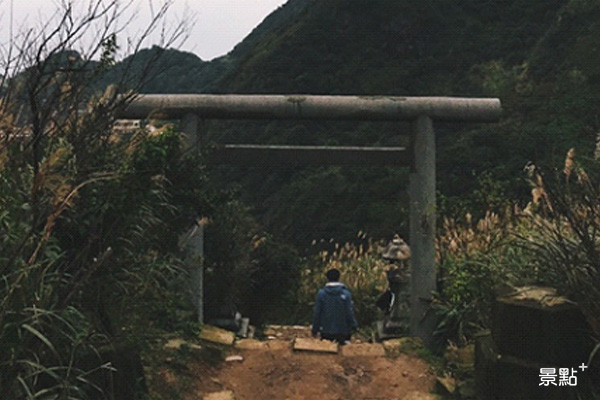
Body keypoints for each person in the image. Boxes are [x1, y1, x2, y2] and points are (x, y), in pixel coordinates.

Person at [311, 268, 358, 344]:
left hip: (326, 331)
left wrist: (315, 329)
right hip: (343, 332)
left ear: (327, 278)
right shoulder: (346, 294)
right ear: (339, 277)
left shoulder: (321, 294)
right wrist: (354, 326)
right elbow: (349, 312)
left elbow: (317, 313)